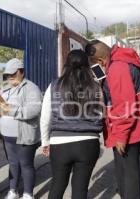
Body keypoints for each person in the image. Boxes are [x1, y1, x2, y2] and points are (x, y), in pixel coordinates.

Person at [85, 40, 140, 199]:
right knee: (124, 168)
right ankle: (124, 192)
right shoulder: (121, 59)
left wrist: (121, 136)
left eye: (95, 66)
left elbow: (124, 106)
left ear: (100, 61)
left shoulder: (117, 68)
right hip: (133, 126)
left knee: (129, 173)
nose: (95, 70)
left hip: (127, 130)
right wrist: (102, 77)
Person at [40, 50, 104, 199]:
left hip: (60, 143)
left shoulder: (54, 85)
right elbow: (101, 114)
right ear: (87, 64)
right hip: (88, 143)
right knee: (80, 190)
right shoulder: (95, 86)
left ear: (66, 64)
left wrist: (45, 142)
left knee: (57, 185)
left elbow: (45, 117)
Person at [0, 58, 42, 199]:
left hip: (23, 135)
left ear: (21, 72)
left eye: (13, 73)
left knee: (26, 165)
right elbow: (0, 110)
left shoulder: (31, 88)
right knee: (12, 164)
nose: (10, 77)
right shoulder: (5, 88)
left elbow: (34, 110)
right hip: (7, 135)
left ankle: (28, 194)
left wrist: (8, 109)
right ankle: (13, 191)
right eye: (7, 74)